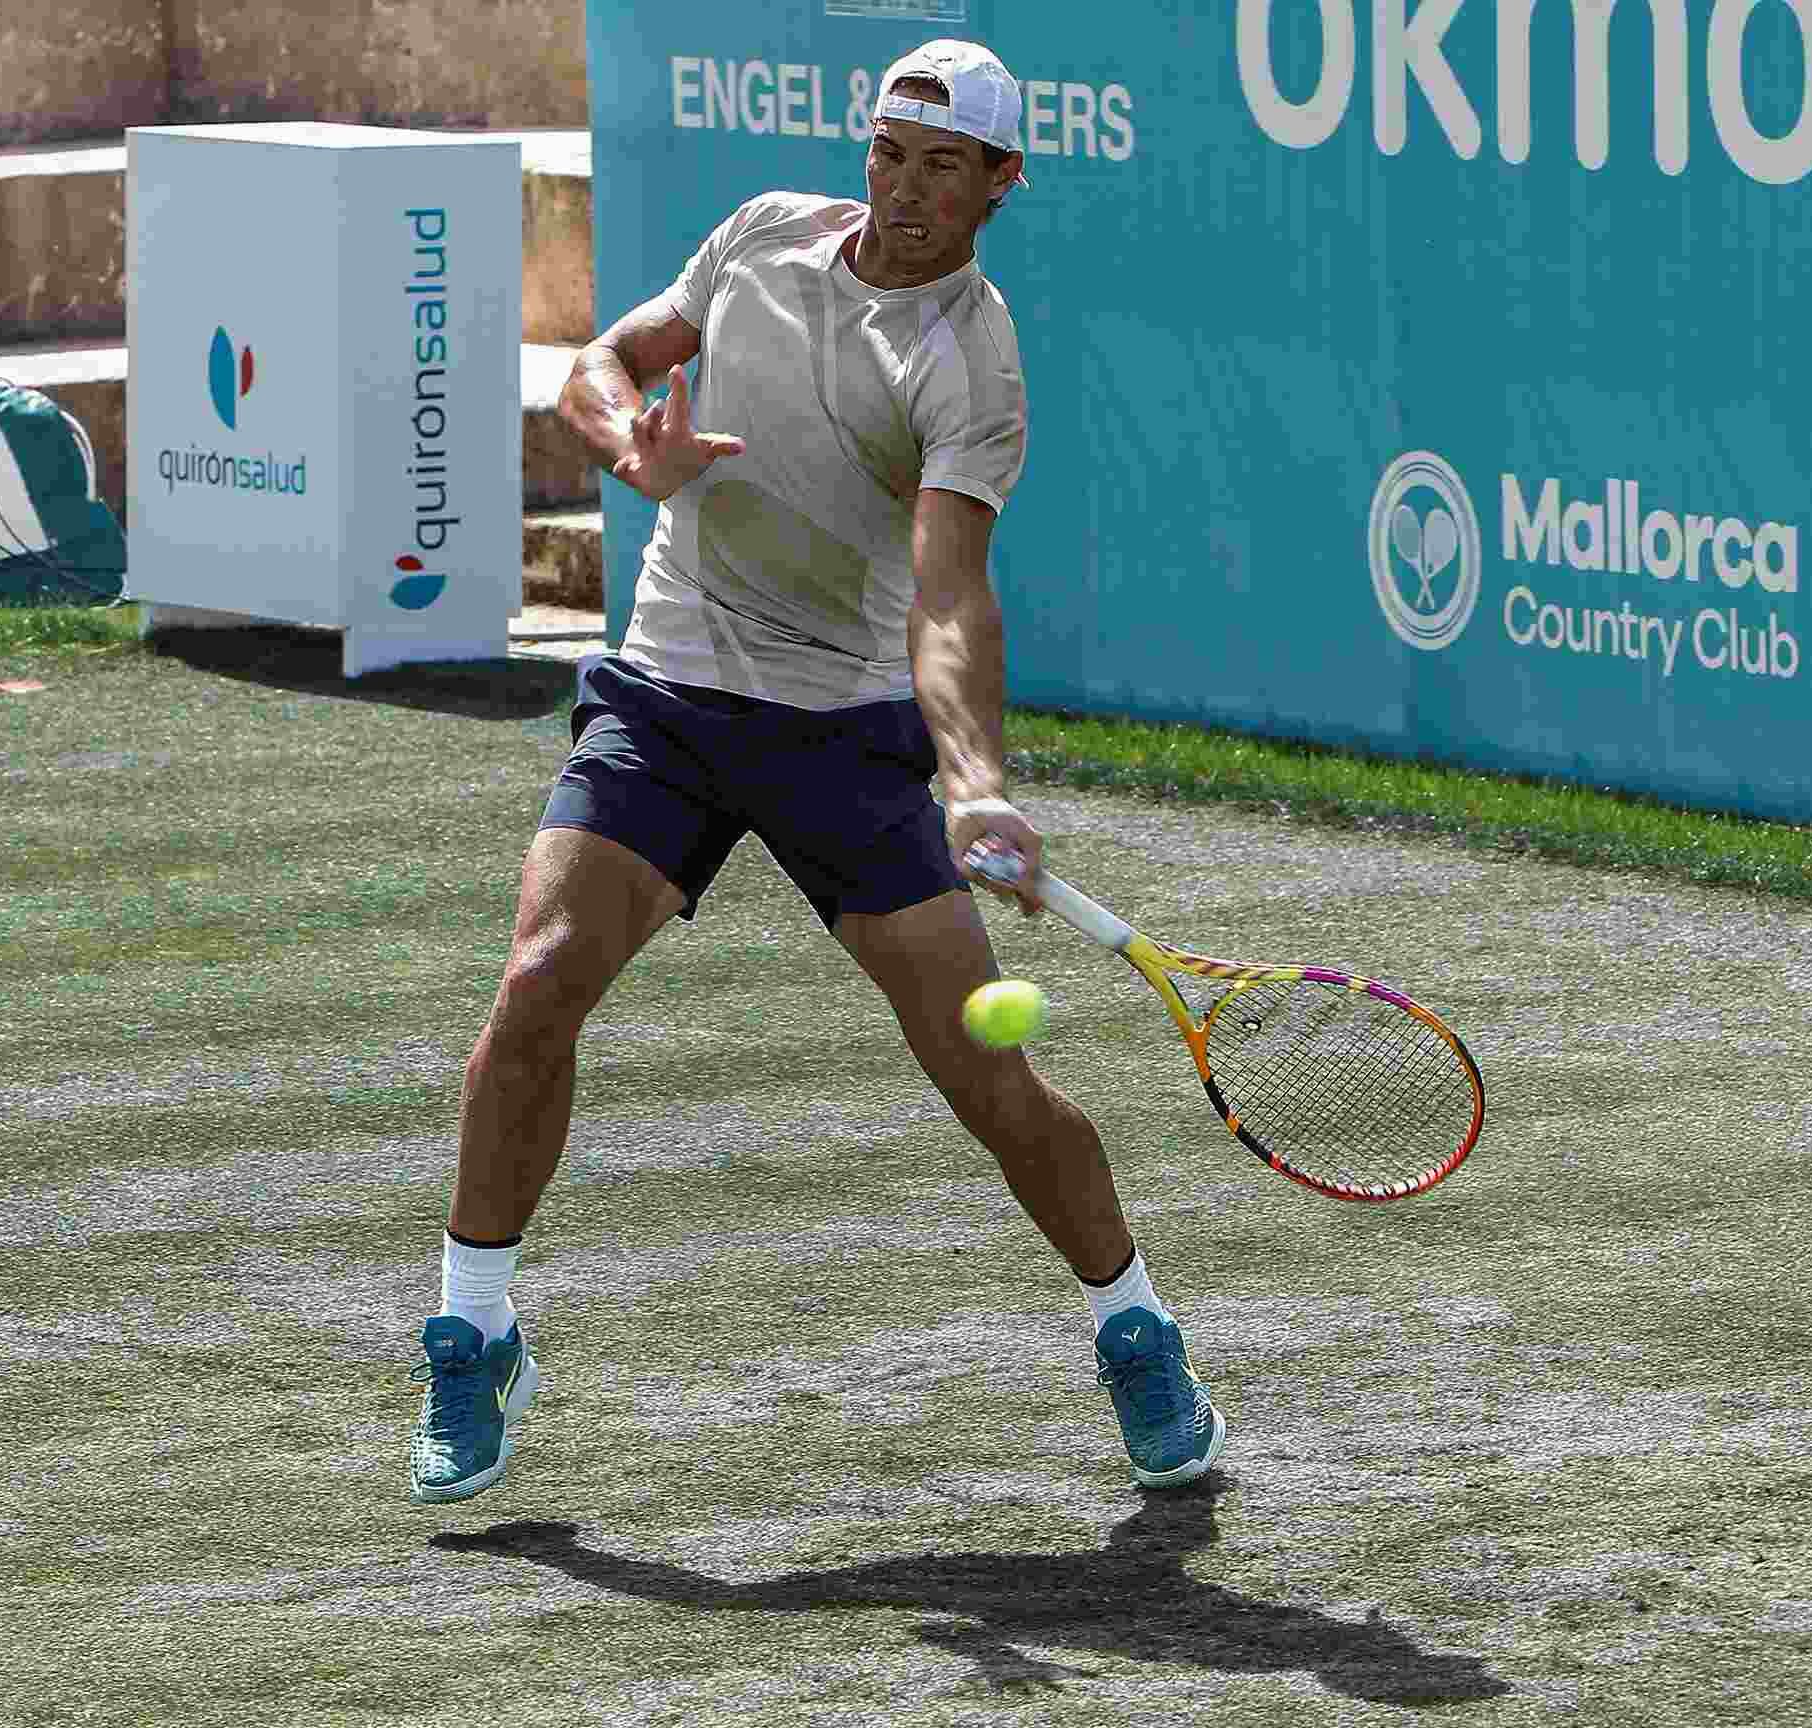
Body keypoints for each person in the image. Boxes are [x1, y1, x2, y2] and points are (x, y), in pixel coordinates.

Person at [407, 38, 1223, 1505]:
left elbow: (947, 593)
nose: (903, 195)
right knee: (538, 982)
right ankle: (472, 1333)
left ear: (997, 187)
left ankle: (1134, 1325)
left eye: (942, 170)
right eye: (889, 156)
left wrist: (971, 781)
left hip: (839, 731)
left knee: (985, 1075)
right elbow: (602, 367)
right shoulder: (763, 235)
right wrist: (624, 447)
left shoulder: (970, 362)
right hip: (666, 692)